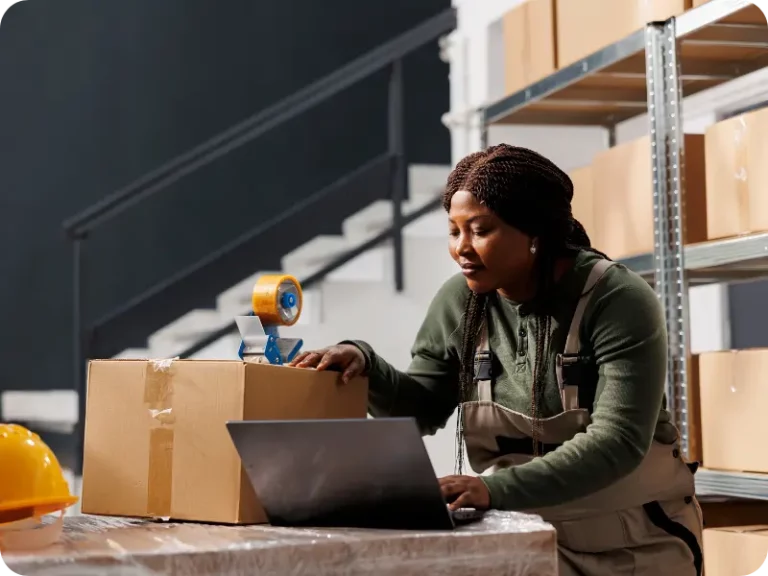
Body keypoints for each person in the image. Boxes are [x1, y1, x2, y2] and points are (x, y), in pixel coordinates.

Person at [289, 144, 703, 575]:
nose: (461, 249)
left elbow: (618, 441)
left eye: (480, 230)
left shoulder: (618, 301)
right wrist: (364, 364)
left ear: (534, 234)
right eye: (454, 231)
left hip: (636, 543)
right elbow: (422, 406)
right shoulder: (461, 303)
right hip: (526, 537)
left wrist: (491, 489)